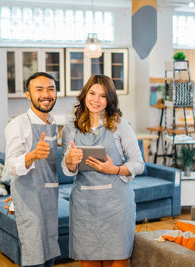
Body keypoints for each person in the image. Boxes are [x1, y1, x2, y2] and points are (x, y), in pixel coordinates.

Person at [61, 74, 145, 267]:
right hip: (84, 207)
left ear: (110, 100)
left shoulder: (120, 126)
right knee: (88, 259)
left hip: (116, 206)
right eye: (92, 93)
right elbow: (68, 170)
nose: (96, 100)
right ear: (84, 95)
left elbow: (138, 164)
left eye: (103, 96)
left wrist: (113, 169)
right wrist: (70, 160)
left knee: (115, 259)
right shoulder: (71, 128)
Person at [5, 72, 60, 267]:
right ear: (28, 95)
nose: (46, 94)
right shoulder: (18, 124)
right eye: (39, 90)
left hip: (50, 198)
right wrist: (33, 155)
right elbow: (11, 165)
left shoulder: (53, 123)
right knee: (34, 256)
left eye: (51, 89)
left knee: (49, 255)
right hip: (29, 201)